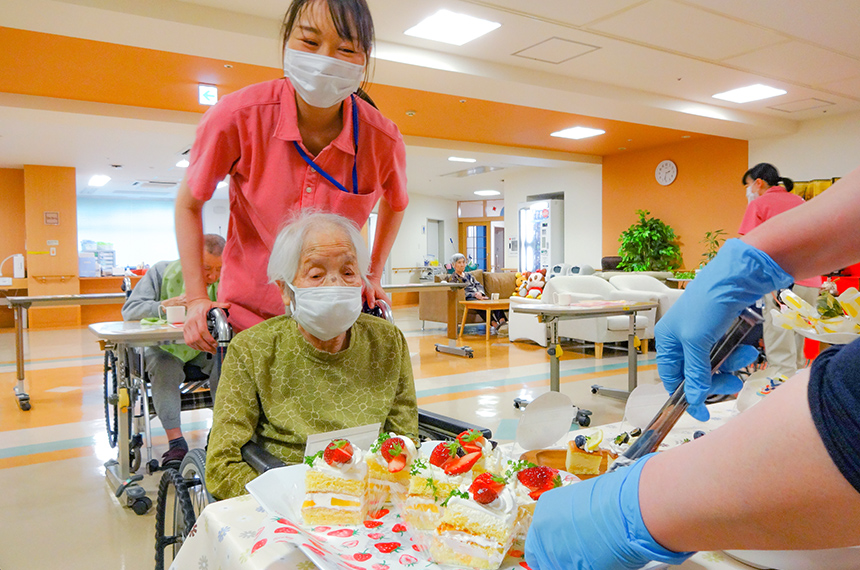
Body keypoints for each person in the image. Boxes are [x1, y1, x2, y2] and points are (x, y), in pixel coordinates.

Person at [525, 164, 860, 569]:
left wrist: (642, 509)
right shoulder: (792, 200)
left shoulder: (763, 205)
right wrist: (749, 263)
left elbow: (847, 417)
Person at [175, 0, 408, 354]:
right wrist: (195, 298)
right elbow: (189, 204)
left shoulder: (382, 139)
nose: (326, 59)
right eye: (310, 43)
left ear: (365, 58)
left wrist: (372, 275)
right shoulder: (236, 117)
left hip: (336, 323)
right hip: (249, 321)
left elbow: (397, 204)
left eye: (346, 49)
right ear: (286, 41)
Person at [205, 212, 418, 500]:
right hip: (289, 499)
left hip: (374, 496)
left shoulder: (387, 342)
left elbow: (405, 439)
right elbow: (221, 467)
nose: (335, 285)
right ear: (285, 289)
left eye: (347, 272)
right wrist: (295, 500)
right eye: (316, 274)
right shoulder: (253, 350)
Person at [121, 234, 225, 465]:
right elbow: (130, 311)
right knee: (164, 366)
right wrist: (162, 306)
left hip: (204, 346)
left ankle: (219, 435)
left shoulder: (225, 279)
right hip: (165, 349)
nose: (212, 276)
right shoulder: (160, 272)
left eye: (219, 269)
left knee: (228, 362)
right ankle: (176, 443)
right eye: (206, 268)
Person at [739, 162, 820, 380]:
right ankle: (797, 400)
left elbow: (749, 246)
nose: (749, 191)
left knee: (780, 350)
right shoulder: (801, 202)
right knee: (797, 346)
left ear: (758, 182)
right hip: (811, 281)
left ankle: (778, 404)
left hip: (780, 282)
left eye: (748, 186)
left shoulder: (760, 205)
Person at [448, 253, 507, 333]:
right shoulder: (453, 278)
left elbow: (478, 285)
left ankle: (502, 322)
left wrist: (480, 293)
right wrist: (475, 295)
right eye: (459, 262)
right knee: (480, 305)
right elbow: (459, 291)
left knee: (493, 302)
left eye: (463, 262)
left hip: (479, 296)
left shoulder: (469, 275)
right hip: (468, 298)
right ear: (453, 265)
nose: (462, 265)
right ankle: (494, 324)